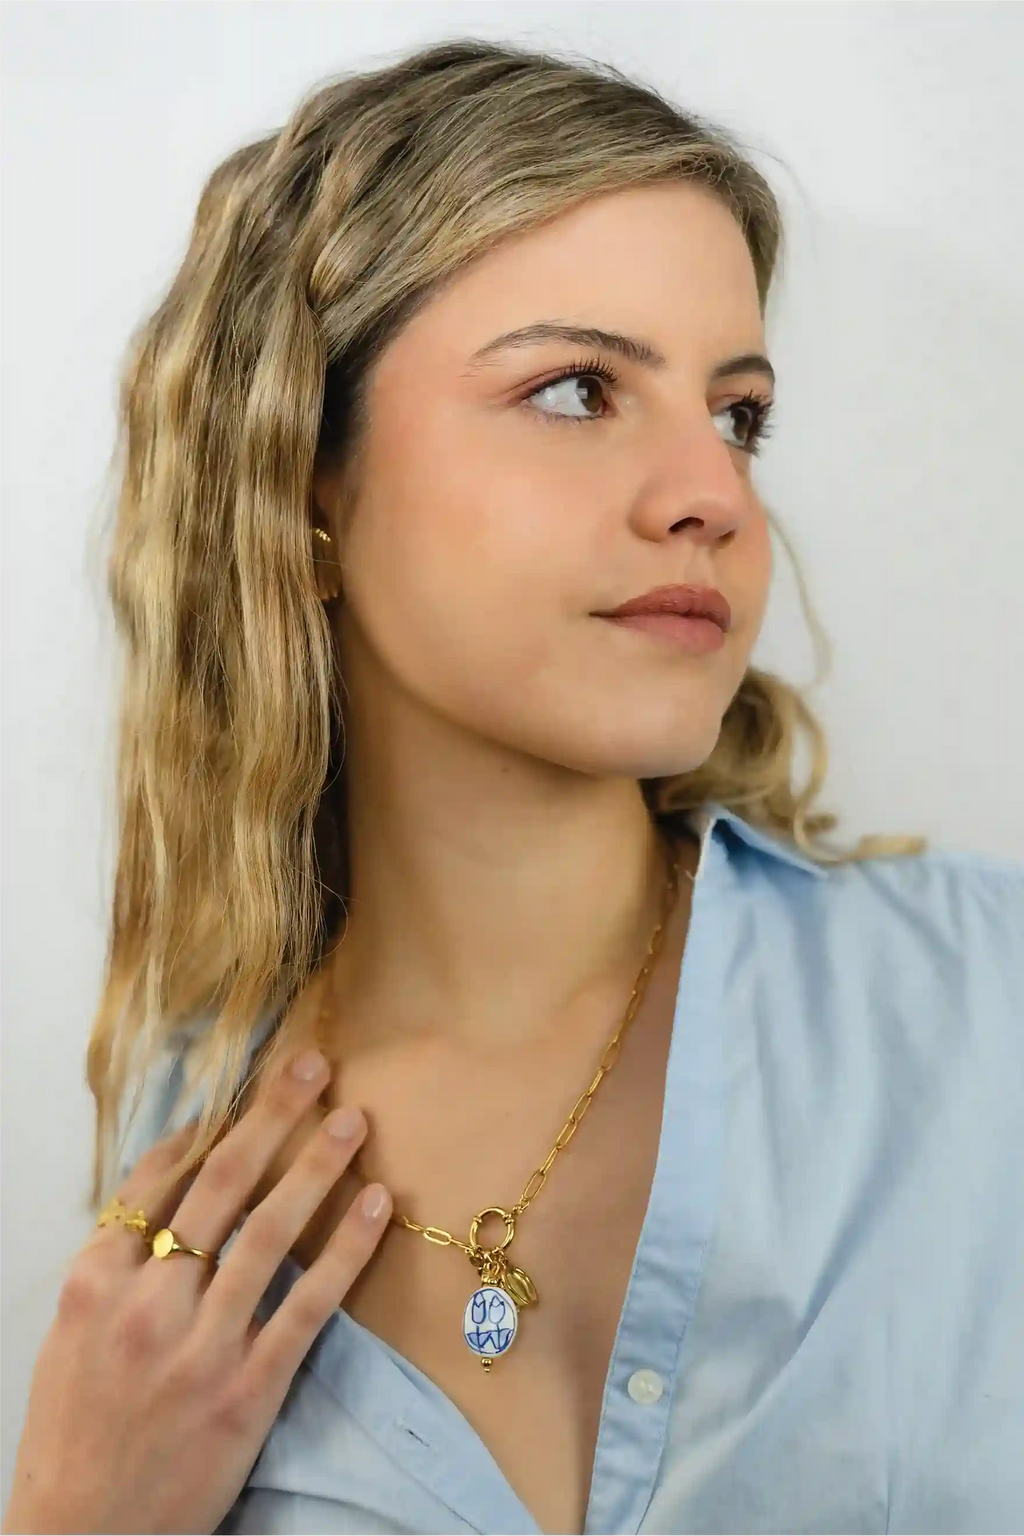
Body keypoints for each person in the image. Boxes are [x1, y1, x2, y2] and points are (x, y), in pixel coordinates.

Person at [5, 35, 1023, 1536]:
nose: (715, 495)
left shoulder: (982, 1007)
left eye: (738, 412)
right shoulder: (184, 1177)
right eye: (574, 391)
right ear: (302, 480)